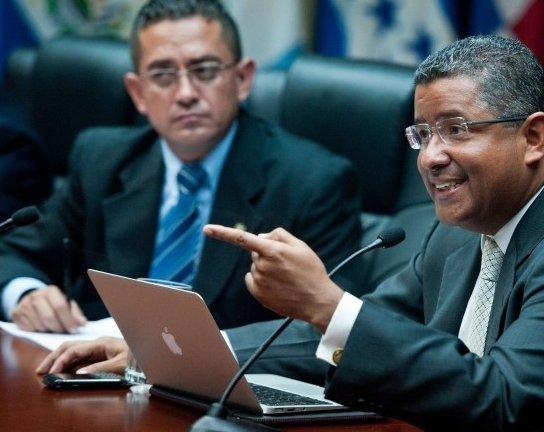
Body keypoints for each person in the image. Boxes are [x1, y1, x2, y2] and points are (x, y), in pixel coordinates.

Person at [38, 35, 544, 430]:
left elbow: (502, 402)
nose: (430, 156)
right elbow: (340, 334)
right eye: (423, 134)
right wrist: (153, 350)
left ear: (534, 136)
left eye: (457, 130)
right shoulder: (465, 225)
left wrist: (329, 303)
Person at [0, 0, 361, 333]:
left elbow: (330, 322)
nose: (186, 93)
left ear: (243, 79)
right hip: (96, 380)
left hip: (226, 391)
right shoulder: (100, 159)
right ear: (138, 93)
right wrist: (26, 294)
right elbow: (14, 252)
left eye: (204, 70)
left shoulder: (312, 181)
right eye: (163, 75)